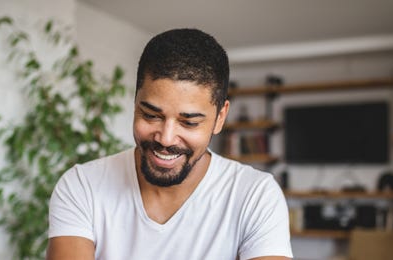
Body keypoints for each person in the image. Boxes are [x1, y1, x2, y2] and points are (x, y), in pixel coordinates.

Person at [46, 28, 293, 260]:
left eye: (189, 122)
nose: (165, 138)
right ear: (135, 102)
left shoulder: (255, 195)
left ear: (220, 118)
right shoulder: (82, 186)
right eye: (151, 115)